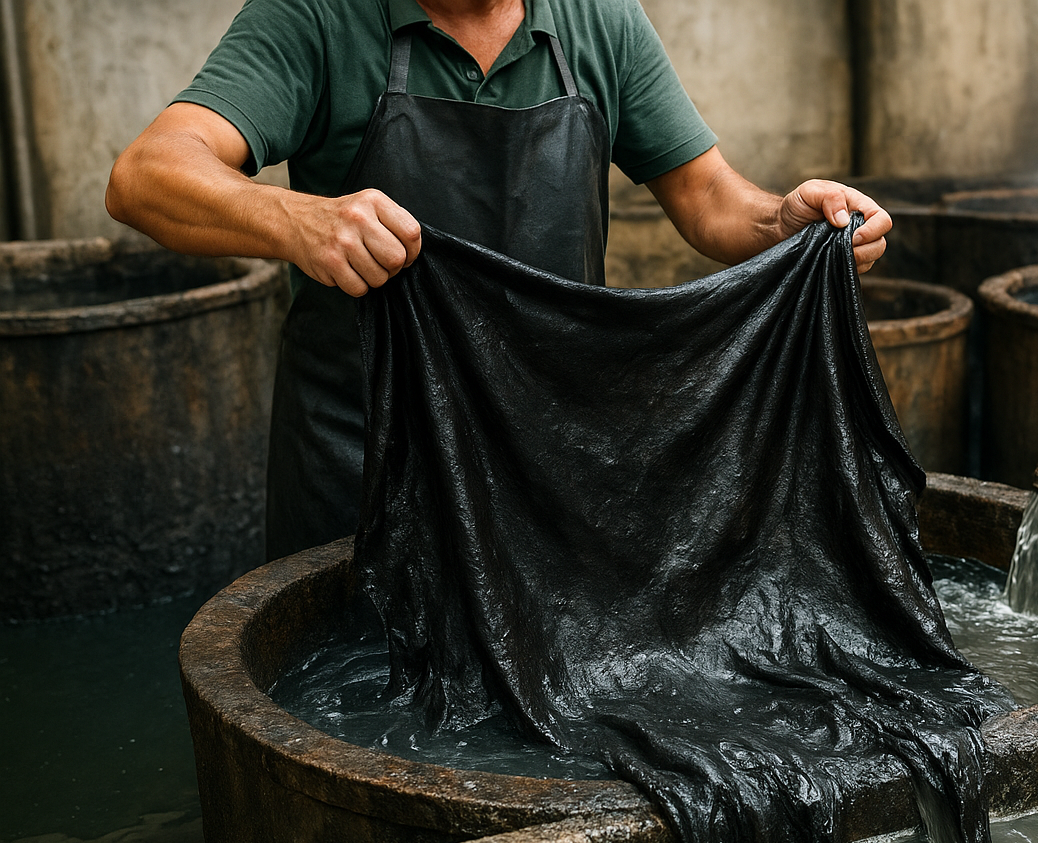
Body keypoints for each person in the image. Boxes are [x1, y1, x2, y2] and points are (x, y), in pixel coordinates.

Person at [106, 0, 892, 560]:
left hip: (549, 457)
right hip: (365, 460)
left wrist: (781, 224)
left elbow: (707, 196)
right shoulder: (313, 17)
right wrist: (295, 219)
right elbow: (146, 176)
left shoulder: (600, 19)